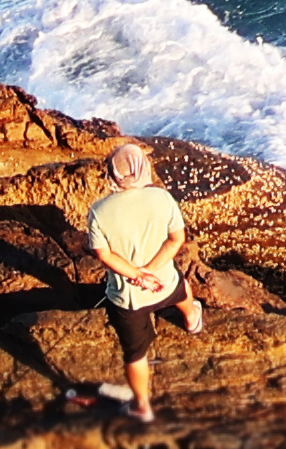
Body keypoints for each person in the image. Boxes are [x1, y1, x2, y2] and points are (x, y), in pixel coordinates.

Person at [83, 140, 201, 422]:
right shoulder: (162, 198)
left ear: (113, 175)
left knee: (135, 355)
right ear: (145, 170)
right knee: (184, 290)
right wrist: (152, 269)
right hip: (165, 283)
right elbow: (177, 239)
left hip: (128, 298)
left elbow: (103, 254)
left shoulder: (99, 211)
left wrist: (137, 275)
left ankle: (142, 406)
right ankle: (192, 321)